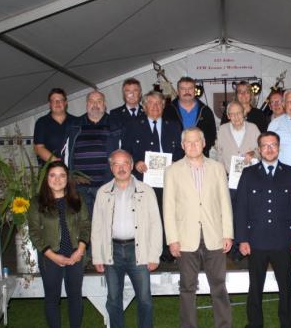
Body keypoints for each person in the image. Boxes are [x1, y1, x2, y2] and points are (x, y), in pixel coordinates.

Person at [163, 127, 239, 328]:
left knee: (219, 285)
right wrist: (172, 239)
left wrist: (228, 233)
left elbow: (225, 202)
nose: (193, 145)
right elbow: (168, 208)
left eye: (197, 141)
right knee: (187, 287)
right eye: (188, 142)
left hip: (214, 235)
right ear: (182, 145)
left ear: (204, 143)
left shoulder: (217, 168)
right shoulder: (172, 171)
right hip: (185, 238)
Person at [234, 131, 291, 328]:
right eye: (265, 146)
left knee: (286, 287)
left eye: (273, 145)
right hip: (255, 241)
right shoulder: (248, 174)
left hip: (283, 241)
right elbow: (240, 208)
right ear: (259, 150)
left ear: (279, 147)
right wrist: (242, 239)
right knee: (255, 287)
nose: (269, 149)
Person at [91, 149, 162, 328]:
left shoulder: (146, 191)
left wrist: (154, 254)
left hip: (138, 250)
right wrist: (97, 256)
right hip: (112, 251)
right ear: (111, 167)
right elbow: (97, 226)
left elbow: (156, 224)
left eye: (125, 163)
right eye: (116, 164)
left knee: (145, 298)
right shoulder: (103, 192)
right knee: (113, 298)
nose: (121, 168)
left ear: (131, 166)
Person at [27, 161, 91, 328]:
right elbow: (34, 232)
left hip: (75, 255)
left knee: (75, 296)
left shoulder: (77, 199)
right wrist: (52, 255)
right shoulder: (37, 202)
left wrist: (80, 250)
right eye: (52, 175)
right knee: (52, 298)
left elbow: (86, 225)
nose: (57, 179)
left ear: (67, 178)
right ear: (46, 179)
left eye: (62, 175)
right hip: (50, 256)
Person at [123, 90, 183, 261]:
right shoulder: (133, 126)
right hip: (145, 180)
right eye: (150, 103)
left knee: (169, 215)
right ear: (144, 106)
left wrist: (176, 163)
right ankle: (148, 251)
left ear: (163, 106)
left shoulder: (174, 126)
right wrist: (136, 163)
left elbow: (181, 150)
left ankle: (168, 251)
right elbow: (126, 151)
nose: (155, 106)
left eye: (159, 103)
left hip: (170, 179)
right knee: (147, 216)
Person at [67, 90, 120, 217]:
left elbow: (123, 154)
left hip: (106, 185)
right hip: (80, 187)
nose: (95, 105)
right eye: (91, 101)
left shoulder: (115, 125)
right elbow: (67, 154)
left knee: (107, 220)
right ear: (86, 104)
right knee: (84, 222)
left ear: (104, 104)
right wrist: (71, 177)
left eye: (99, 101)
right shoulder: (75, 125)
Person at [163, 76, 217, 155]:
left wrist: (201, 151)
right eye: (183, 88)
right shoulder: (168, 111)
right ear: (178, 91)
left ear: (195, 90)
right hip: (175, 157)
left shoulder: (206, 111)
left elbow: (211, 135)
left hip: (200, 156)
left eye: (190, 88)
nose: (187, 91)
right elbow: (164, 135)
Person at [214, 101, 260, 174]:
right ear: (228, 116)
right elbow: (219, 154)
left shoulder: (253, 128)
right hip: (229, 176)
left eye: (239, 113)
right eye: (232, 114)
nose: (236, 117)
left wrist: (253, 153)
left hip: (251, 175)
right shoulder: (222, 130)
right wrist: (222, 174)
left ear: (244, 113)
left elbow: (261, 149)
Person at [33, 88, 74, 165]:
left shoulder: (76, 121)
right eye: (54, 101)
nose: (57, 103)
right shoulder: (41, 123)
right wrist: (58, 163)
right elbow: (39, 148)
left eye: (60, 100)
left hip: (73, 169)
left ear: (65, 102)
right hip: (50, 168)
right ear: (49, 104)